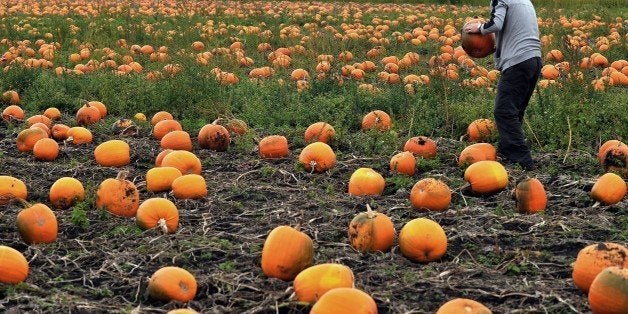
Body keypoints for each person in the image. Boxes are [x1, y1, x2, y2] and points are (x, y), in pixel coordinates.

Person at [464, 0, 542, 170]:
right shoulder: (524, 1)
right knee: (515, 111)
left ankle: (522, 158)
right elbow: (516, 29)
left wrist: (480, 28)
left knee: (504, 112)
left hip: (518, 61)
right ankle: (508, 151)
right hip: (534, 59)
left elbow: (496, 23)